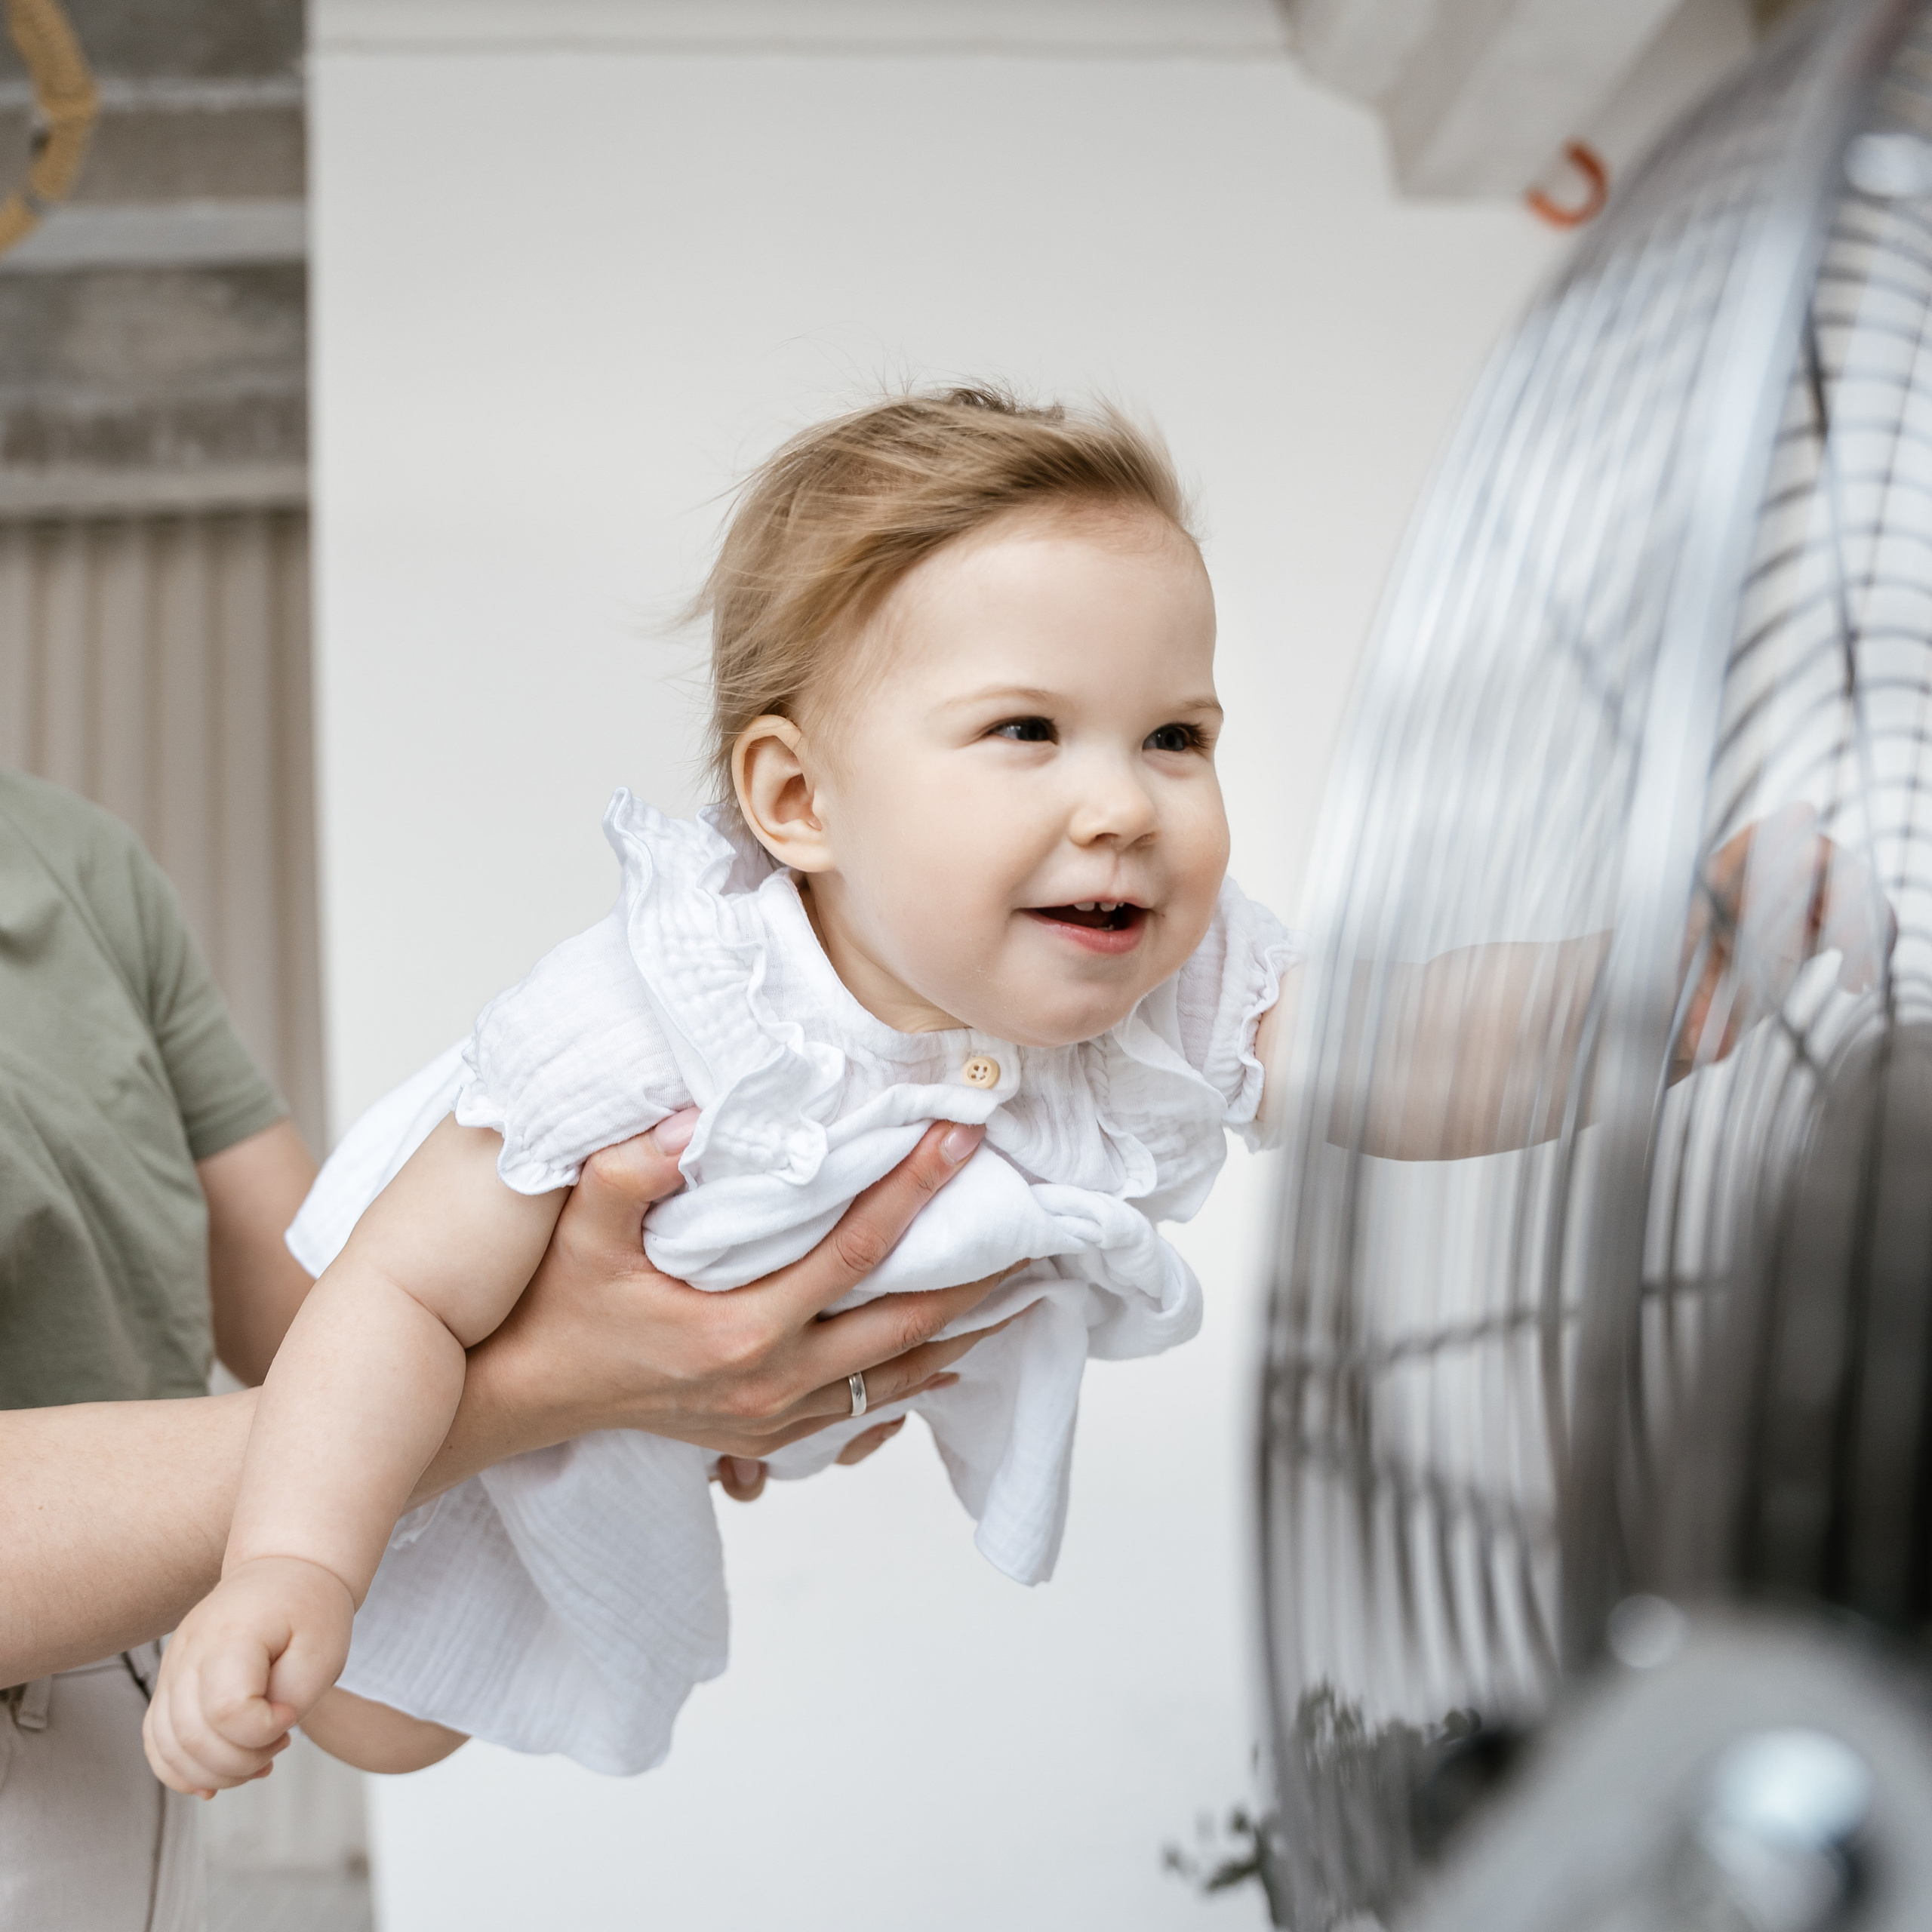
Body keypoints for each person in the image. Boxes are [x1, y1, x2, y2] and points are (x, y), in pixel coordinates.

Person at [144, 386, 1887, 1797]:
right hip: (454, 1396)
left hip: (688, 1433)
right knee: (378, 1683)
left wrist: (1674, 976)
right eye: (1024, 733)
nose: (1122, 803)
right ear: (796, 799)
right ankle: (299, 1601)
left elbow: (1410, 1048)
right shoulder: (655, 1017)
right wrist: (293, 1557)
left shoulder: (1166, 989)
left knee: (469, 1691)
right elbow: (384, 1298)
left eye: (1174, 735)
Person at [0, 761, 1012, 1931]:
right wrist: (576, 1381)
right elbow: (400, 1383)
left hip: (130, 1739)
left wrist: (696, 1323)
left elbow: (317, 1323)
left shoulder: (79, 866)